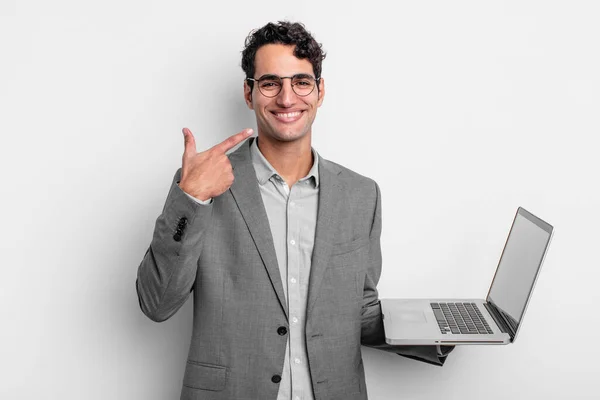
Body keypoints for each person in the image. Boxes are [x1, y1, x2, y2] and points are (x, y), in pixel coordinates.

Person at [136, 21, 452, 400]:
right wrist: (192, 197)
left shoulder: (360, 195)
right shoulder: (203, 182)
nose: (287, 99)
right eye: (270, 83)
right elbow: (157, 303)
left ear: (320, 91)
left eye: (301, 82)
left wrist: (433, 330)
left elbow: (360, 312)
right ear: (248, 93)